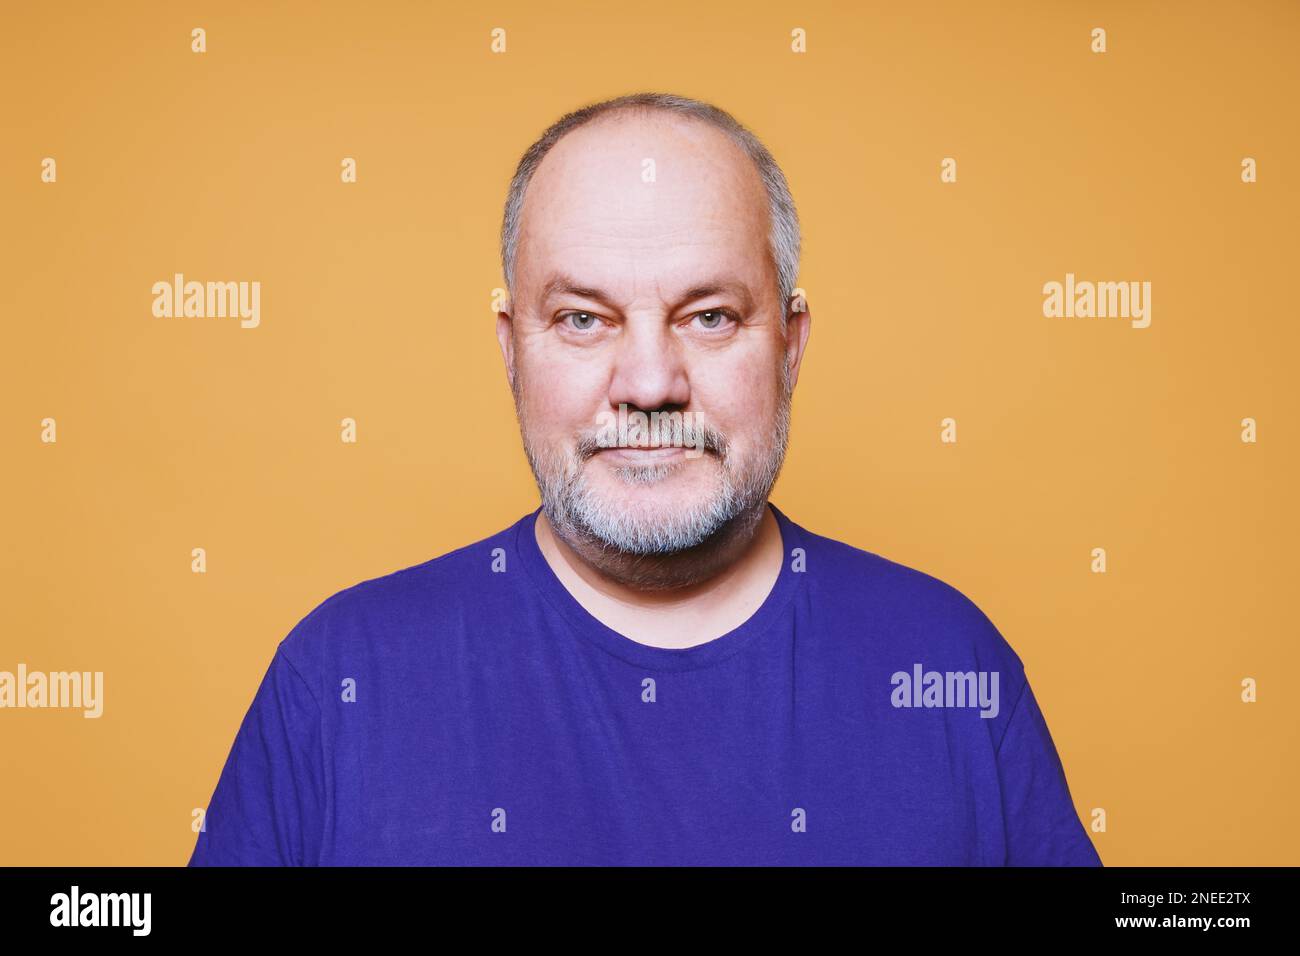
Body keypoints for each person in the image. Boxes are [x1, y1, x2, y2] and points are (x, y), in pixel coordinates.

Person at [188, 92, 1101, 866]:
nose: (650, 383)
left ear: (791, 344)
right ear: (511, 351)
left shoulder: (948, 661)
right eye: (584, 320)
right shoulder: (339, 680)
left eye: (709, 317)